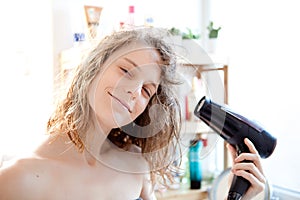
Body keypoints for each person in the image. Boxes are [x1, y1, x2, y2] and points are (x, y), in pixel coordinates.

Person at [0, 28, 266, 200]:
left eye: (147, 90)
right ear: (94, 68)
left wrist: (237, 197)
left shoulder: (136, 164)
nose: (133, 91)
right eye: (126, 71)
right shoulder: (19, 179)